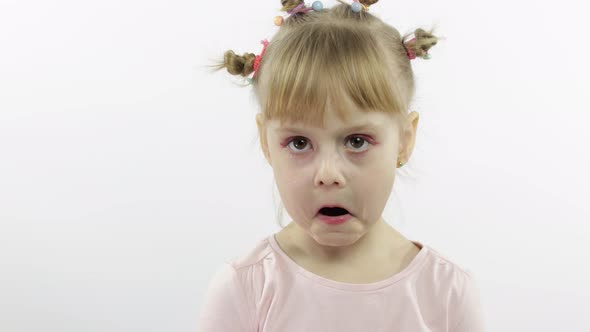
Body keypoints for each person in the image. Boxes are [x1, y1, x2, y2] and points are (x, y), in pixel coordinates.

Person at [199, 0, 485, 331]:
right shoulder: (246, 288)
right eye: (299, 143)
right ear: (265, 142)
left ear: (404, 140)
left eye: (357, 141)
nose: (328, 175)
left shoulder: (446, 293)